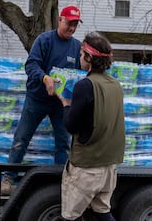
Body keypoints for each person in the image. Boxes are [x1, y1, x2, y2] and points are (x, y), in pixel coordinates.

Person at [1, 5, 83, 195]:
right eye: (69, 23)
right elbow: (31, 64)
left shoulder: (77, 47)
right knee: (22, 138)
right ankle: (8, 177)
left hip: (60, 104)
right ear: (60, 20)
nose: (72, 28)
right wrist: (45, 78)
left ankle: (61, 182)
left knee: (64, 142)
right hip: (37, 99)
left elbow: (81, 72)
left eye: (75, 25)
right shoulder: (44, 40)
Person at [58, 32, 125, 221]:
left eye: (81, 55)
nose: (79, 58)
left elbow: (71, 125)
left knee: (70, 216)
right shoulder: (116, 85)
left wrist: (66, 104)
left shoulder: (85, 86)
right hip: (109, 167)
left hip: (87, 168)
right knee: (102, 211)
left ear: (89, 57)